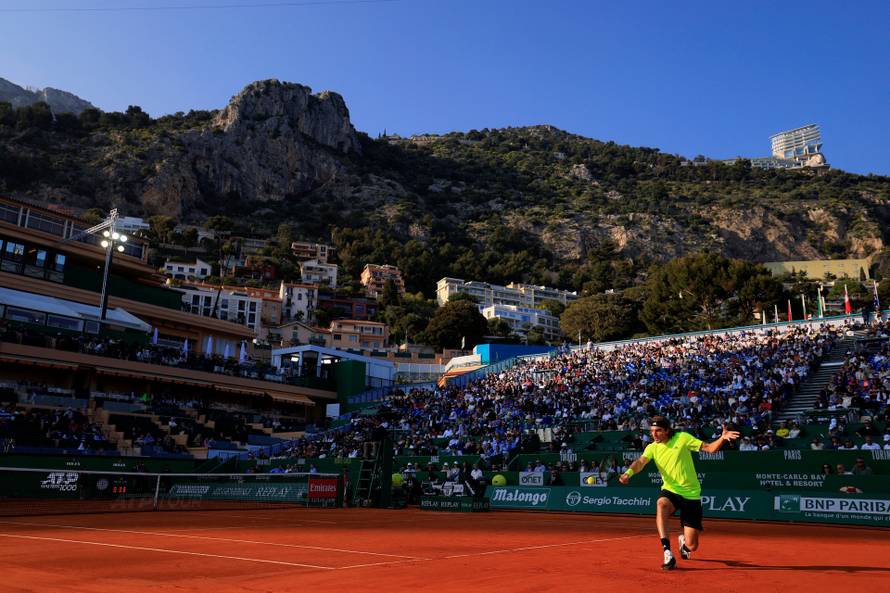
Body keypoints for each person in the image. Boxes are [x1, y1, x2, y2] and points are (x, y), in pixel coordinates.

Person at [619, 416, 739, 570]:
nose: (654, 434)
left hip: (691, 495)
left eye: (658, 431)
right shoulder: (652, 447)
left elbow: (709, 449)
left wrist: (722, 438)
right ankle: (667, 551)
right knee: (661, 504)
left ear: (667, 430)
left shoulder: (682, 438)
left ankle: (684, 545)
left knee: (692, 545)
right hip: (671, 490)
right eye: (652, 431)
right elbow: (641, 462)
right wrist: (628, 473)